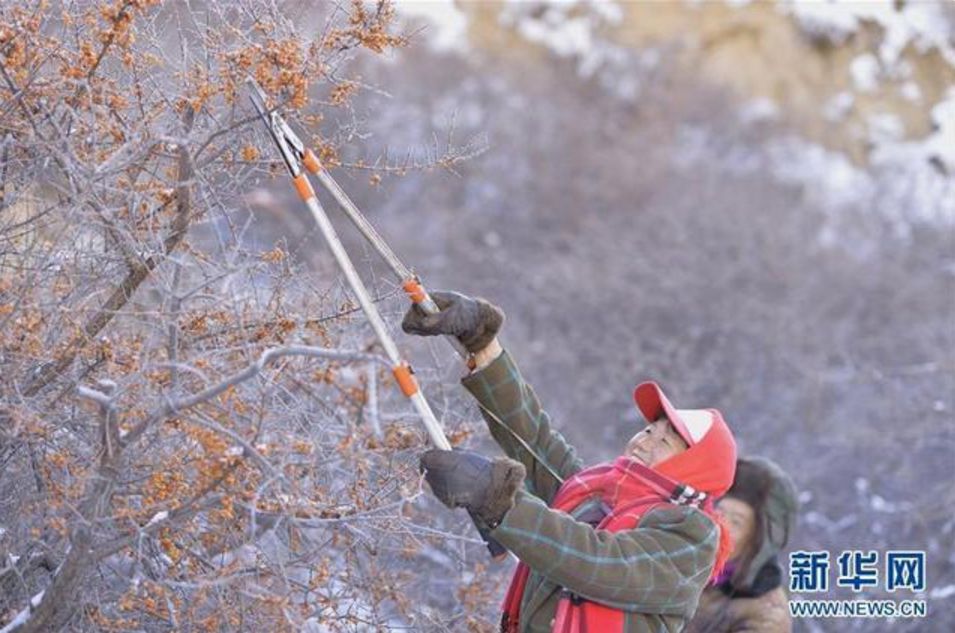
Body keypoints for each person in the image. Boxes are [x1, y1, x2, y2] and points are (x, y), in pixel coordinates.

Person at [403, 291, 739, 633]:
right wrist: (482, 343)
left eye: (664, 440)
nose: (645, 439)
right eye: (649, 429)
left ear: (693, 469)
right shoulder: (595, 493)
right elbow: (535, 443)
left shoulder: (693, 537)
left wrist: (498, 498)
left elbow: (597, 563)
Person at [684, 457, 799, 633]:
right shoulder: (689, 569)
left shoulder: (767, 615)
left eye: (737, 522)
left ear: (756, 541)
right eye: (720, 513)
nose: (721, 526)